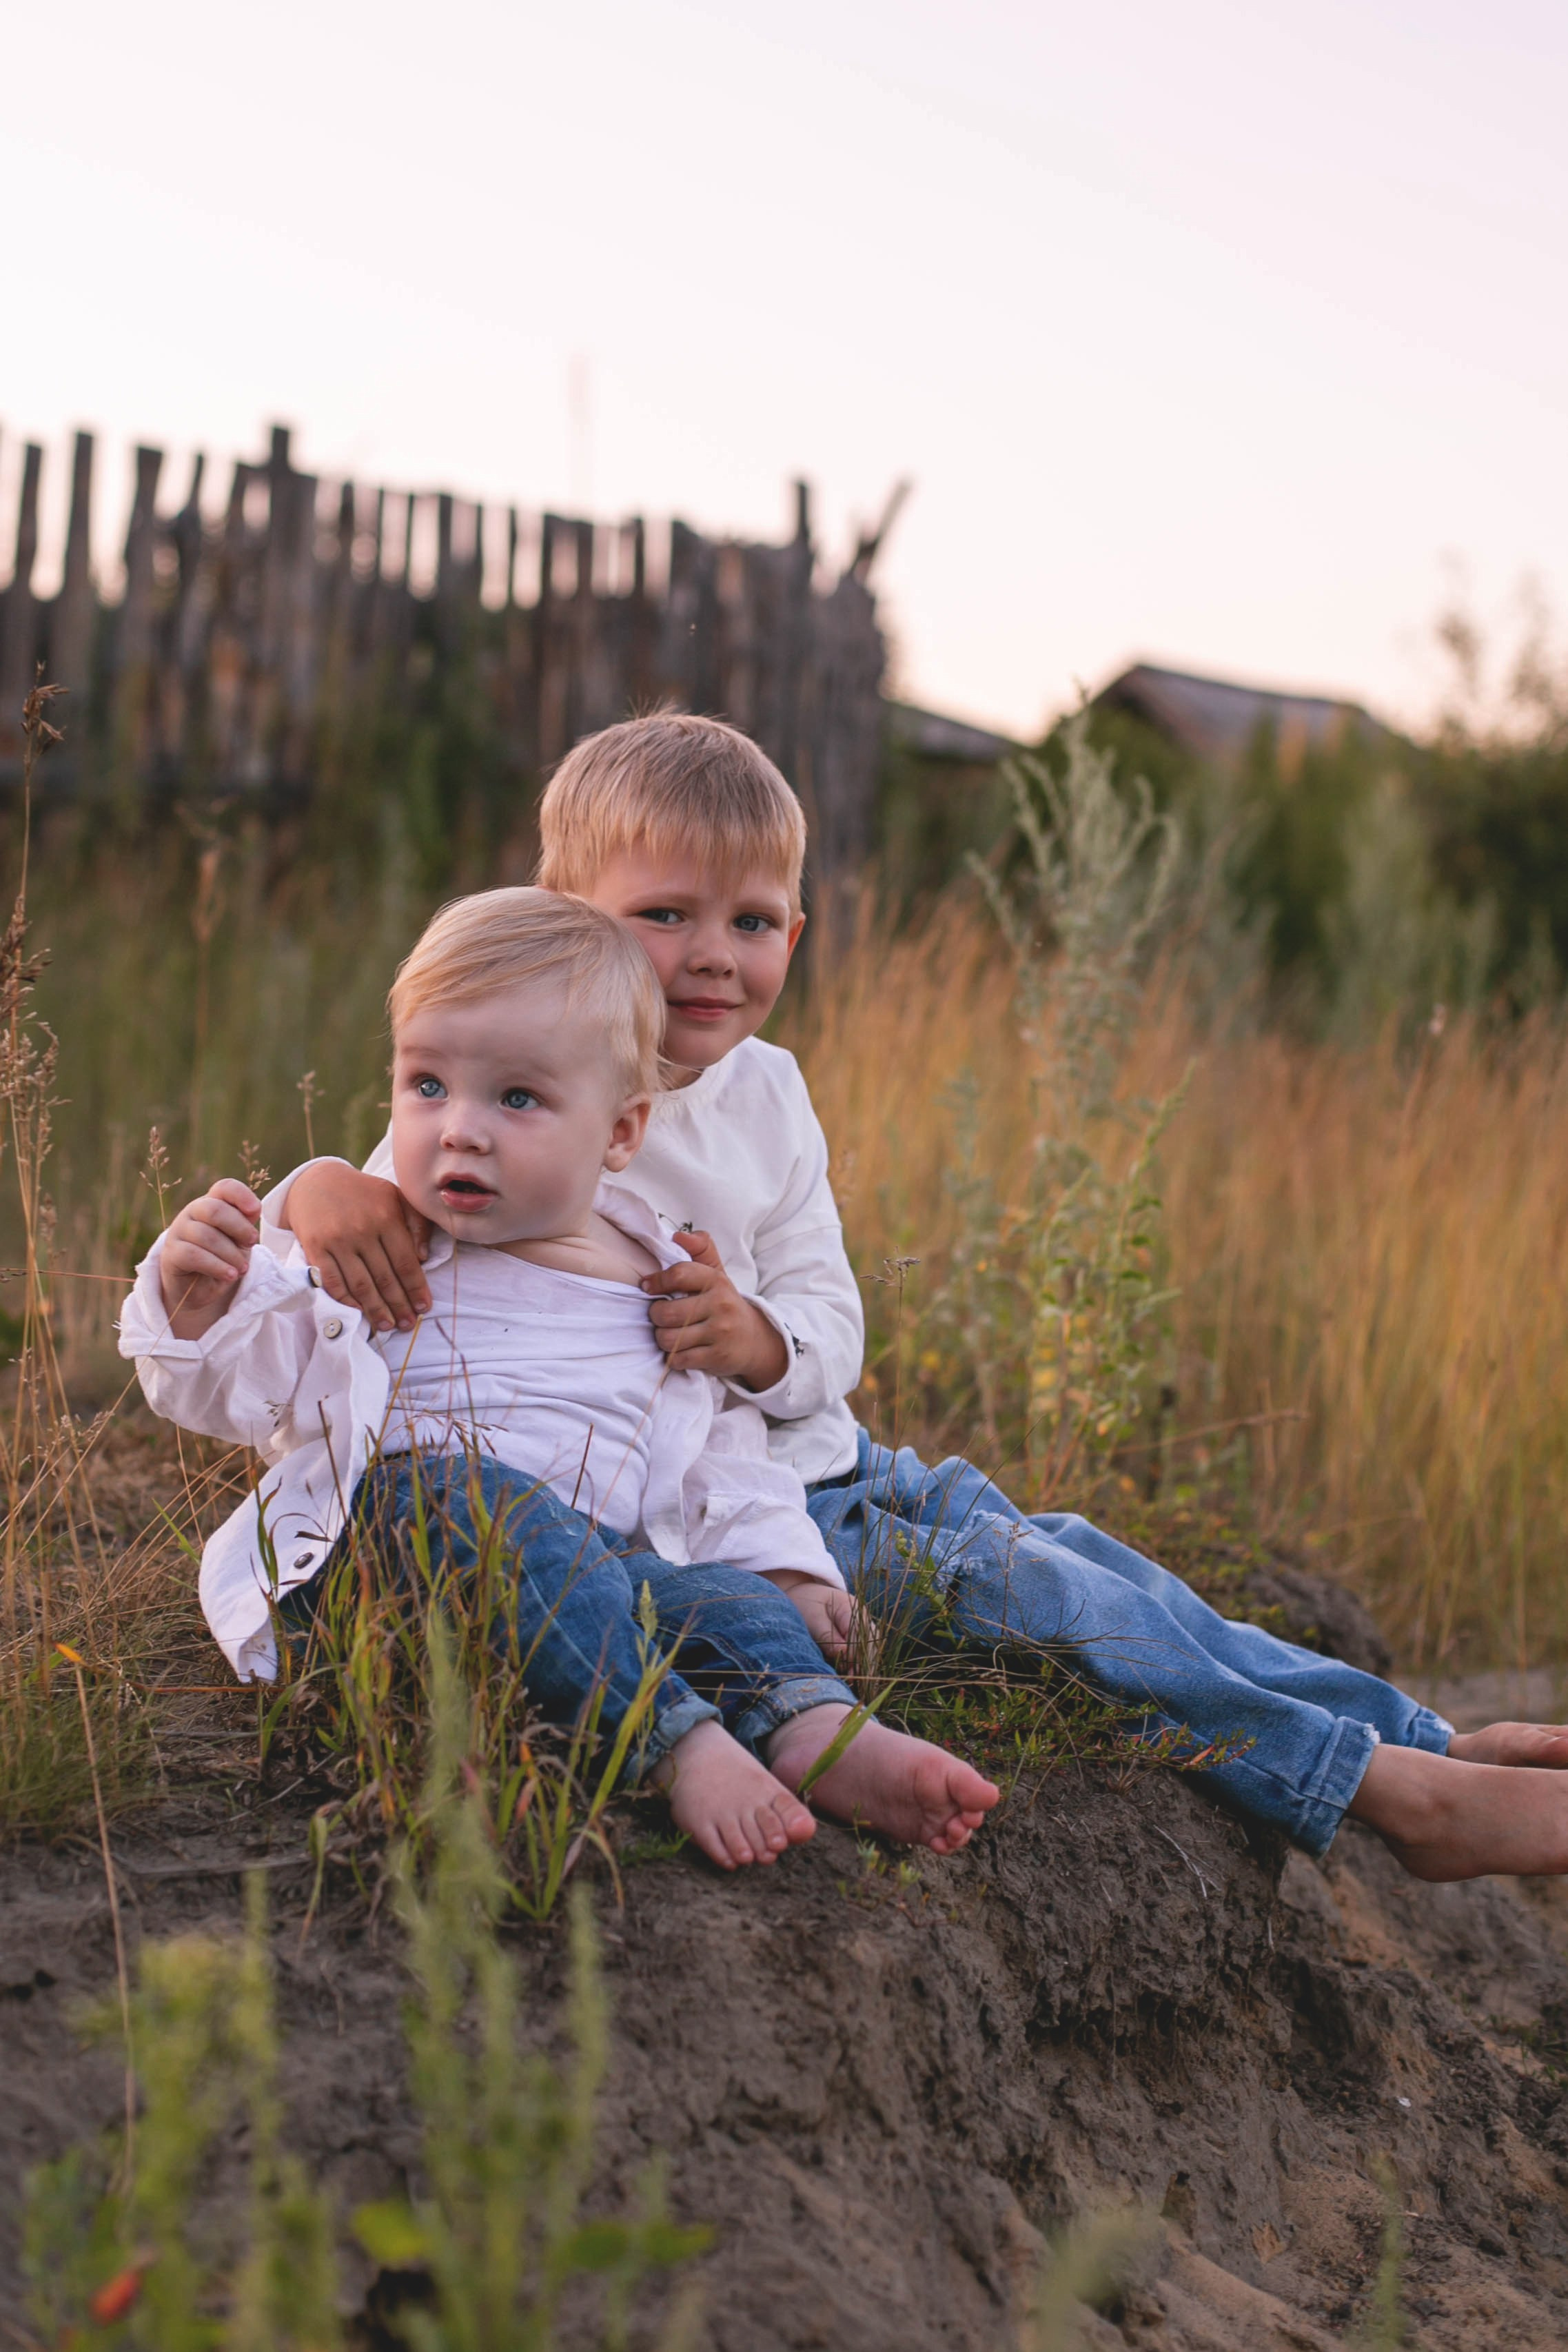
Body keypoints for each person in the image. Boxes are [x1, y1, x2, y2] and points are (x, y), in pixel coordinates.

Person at [272, 715, 1568, 1883]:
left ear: (799, 928)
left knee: (1081, 1557)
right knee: (1040, 1606)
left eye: (756, 922)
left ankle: (1422, 1732)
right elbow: (367, 1232)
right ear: (561, 911)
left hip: (834, 1453)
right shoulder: (504, 1090)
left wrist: (761, 1342)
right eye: (665, 915)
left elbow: (833, 1322)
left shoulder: (771, 1095)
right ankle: (1389, 1795)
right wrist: (318, 1181)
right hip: (727, 1521)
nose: (713, 958)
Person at [119, 887, 997, 1873]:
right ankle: (677, 1743)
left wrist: (790, 1570)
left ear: (621, 1134)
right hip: (395, 1555)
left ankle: (815, 1728)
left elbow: (713, 1460)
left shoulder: (655, 1278)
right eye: (427, 1085)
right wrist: (197, 1302)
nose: (461, 1131)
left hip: (600, 1571)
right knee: (496, 1518)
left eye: (519, 1099)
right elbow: (240, 1389)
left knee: (718, 1600)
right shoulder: (390, 1255)